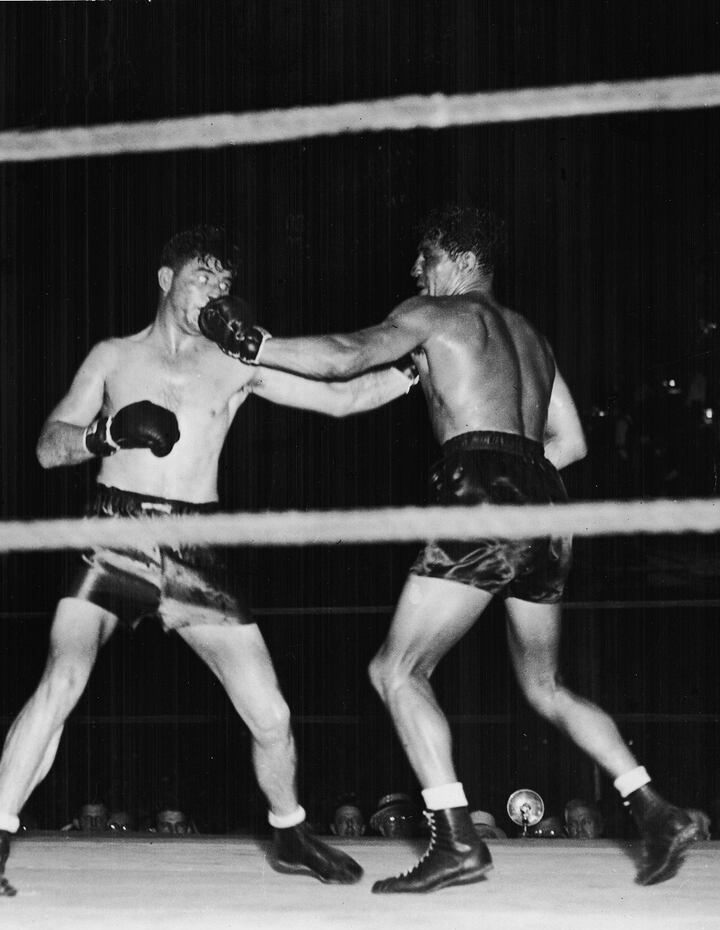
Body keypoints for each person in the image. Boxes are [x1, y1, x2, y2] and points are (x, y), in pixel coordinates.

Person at [200, 203, 699, 891]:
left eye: (425, 258)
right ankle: (654, 808)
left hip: (483, 489)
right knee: (546, 685)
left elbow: (347, 356)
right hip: (545, 500)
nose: (415, 270)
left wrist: (256, 345)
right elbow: (573, 444)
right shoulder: (532, 338)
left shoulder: (438, 315)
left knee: (396, 671)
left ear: (460, 261)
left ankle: (456, 838)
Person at [0, 225, 418, 896]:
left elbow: (341, 396)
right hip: (113, 533)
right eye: (203, 276)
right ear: (165, 280)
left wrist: (415, 368)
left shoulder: (235, 361)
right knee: (62, 677)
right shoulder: (113, 357)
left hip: (198, 546)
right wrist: (108, 432)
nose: (216, 290)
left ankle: (289, 832)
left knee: (271, 713)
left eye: (224, 283)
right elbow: (47, 447)